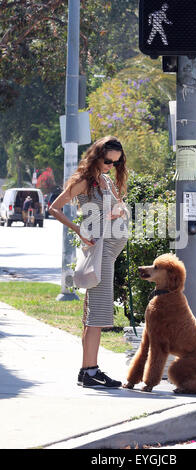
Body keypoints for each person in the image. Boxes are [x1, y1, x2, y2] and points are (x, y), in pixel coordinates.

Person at [49, 136, 129, 388]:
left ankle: (89, 371)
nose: (110, 166)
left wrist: (120, 211)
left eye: (115, 163)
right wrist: (78, 230)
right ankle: (90, 372)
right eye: (107, 161)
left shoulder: (105, 181)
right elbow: (54, 208)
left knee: (96, 314)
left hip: (109, 254)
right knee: (98, 315)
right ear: (97, 155)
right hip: (99, 253)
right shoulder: (84, 181)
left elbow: (119, 207)